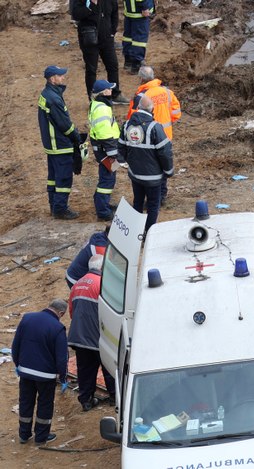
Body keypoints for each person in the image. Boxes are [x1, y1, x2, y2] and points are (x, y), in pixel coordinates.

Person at [12, 299, 69, 445]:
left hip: (25, 371)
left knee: (25, 402)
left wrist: (18, 364)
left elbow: (16, 344)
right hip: (46, 376)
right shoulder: (58, 328)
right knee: (44, 404)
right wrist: (63, 377)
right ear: (61, 313)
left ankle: (24, 435)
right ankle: (41, 437)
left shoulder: (27, 318)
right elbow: (62, 358)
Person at [118, 95, 173, 233]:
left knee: (137, 202)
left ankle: (135, 233)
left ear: (138, 108)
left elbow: (121, 148)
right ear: (152, 109)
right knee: (153, 206)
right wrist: (168, 170)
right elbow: (165, 153)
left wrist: (127, 162)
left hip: (135, 175)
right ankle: (148, 234)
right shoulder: (155, 127)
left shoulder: (126, 125)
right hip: (153, 178)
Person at [127, 66, 182, 205]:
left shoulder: (141, 96)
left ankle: (152, 197)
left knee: (149, 166)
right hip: (166, 135)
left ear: (141, 78)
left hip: (147, 137)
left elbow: (132, 118)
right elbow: (176, 113)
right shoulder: (167, 92)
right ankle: (161, 195)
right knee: (163, 163)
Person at [68, 255, 116, 411]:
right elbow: (111, 310)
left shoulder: (77, 285)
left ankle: (86, 401)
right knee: (109, 367)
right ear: (102, 268)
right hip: (97, 336)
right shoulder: (102, 283)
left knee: (85, 370)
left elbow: (71, 311)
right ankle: (115, 397)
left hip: (78, 336)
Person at [38, 65, 83, 220]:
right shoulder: (54, 99)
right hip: (60, 145)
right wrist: (76, 137)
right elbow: (65, 125)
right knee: (63, 178)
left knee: (53, 177)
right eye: (60, 75)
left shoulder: (46, 94)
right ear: (52, 78)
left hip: (51, 145)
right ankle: (60, 209)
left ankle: (54, 205)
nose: (63, 77)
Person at [71, 0, 130, 103]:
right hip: (89, 38)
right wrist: (92, 5)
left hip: (106, 38)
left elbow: (114, 12)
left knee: (113, 65)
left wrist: (112, 31)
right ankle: (93, 98)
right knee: (91, 69)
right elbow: (76, 14)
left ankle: (115, 94)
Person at [89, 80, 121, 221]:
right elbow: (104, 133)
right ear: (104, 92)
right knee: (107, 180)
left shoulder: (98, 105)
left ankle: (103, 204)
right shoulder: (102, 108)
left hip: (103, 149)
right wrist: (113, 152)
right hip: (106, 150)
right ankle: (103, 211)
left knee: (107, 176)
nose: (112, 91)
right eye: (109, 89)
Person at [122, 0, 154, 74]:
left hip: (129, 11)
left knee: (128, 37)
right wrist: (145, 7)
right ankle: (136, 64)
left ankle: (128, 61)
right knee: (139, 40)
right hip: (139, 13)